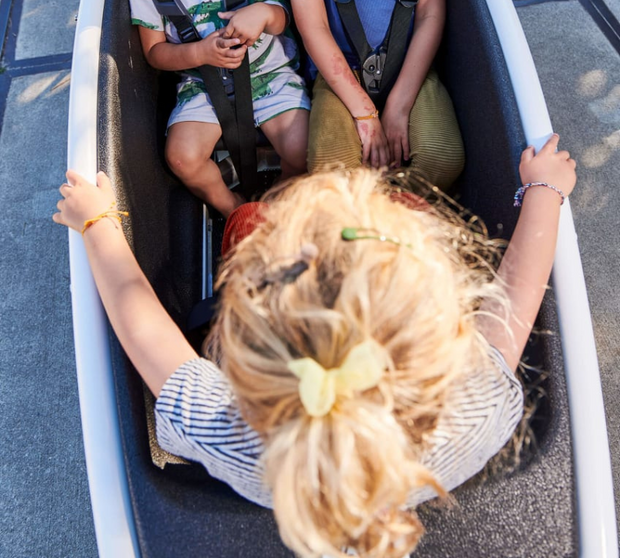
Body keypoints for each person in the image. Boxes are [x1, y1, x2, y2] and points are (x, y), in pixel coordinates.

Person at [54, 134, 575, 558]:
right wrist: (546, 188)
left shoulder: (222, 431)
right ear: (445, 334)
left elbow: (136, 317)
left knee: (248, 219)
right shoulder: (478, 410)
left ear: (241, 333)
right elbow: (519, 294)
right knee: (406, 204)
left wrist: (96, 221)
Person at [126, 0, 311, 217]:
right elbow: (154, 51)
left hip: (268, 73)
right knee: (182, 158)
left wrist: (262, 13)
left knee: (304, 149)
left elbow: (283, 15)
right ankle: (235, 210)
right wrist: (200, 53)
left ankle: (277, 200)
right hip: (202, 82)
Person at [278, 0, 465, 189]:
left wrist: (399, 106)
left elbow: (429, 16)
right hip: (341, 71)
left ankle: (396, 215)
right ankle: (364, 218)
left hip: (409, 66)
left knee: (442, 158)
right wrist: (365, 113)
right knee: (332, 168)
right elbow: (314, 28)